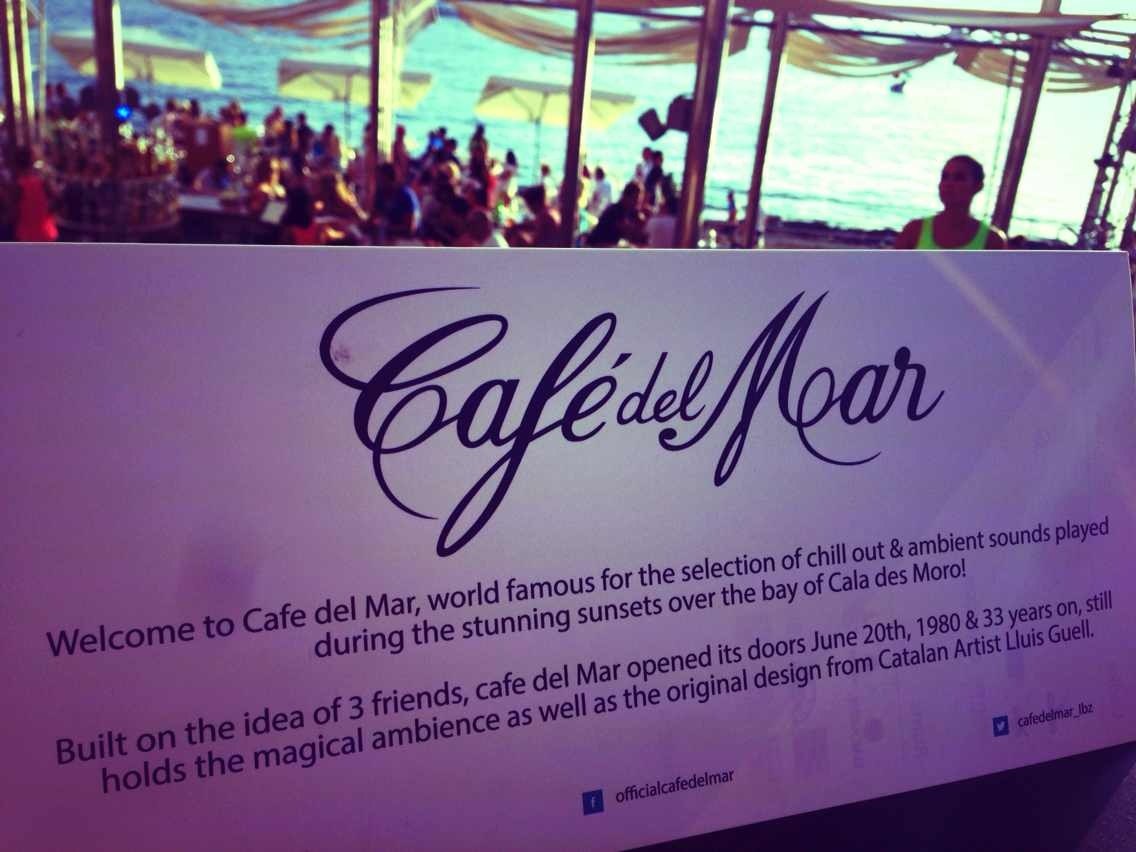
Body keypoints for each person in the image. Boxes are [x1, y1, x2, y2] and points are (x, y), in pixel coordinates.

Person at [895, 155, 1007, 250]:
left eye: (959, 178)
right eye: (945, 177)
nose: (949, 184)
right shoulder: (914, 231)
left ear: (978, 186)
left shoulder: (992, 240)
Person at [10, 147, 58, 242]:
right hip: (46, 234)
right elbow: (57, 199)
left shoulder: (18, 186)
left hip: (25, 237)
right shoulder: (42, 182)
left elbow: (12, 213)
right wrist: (47, 213)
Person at [587, 182, 646, 247]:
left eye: (638, 201)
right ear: (626, 196)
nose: (637, 203)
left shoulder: (632, 213)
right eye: (635, 199)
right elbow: (625, 232)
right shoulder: (614, 212)